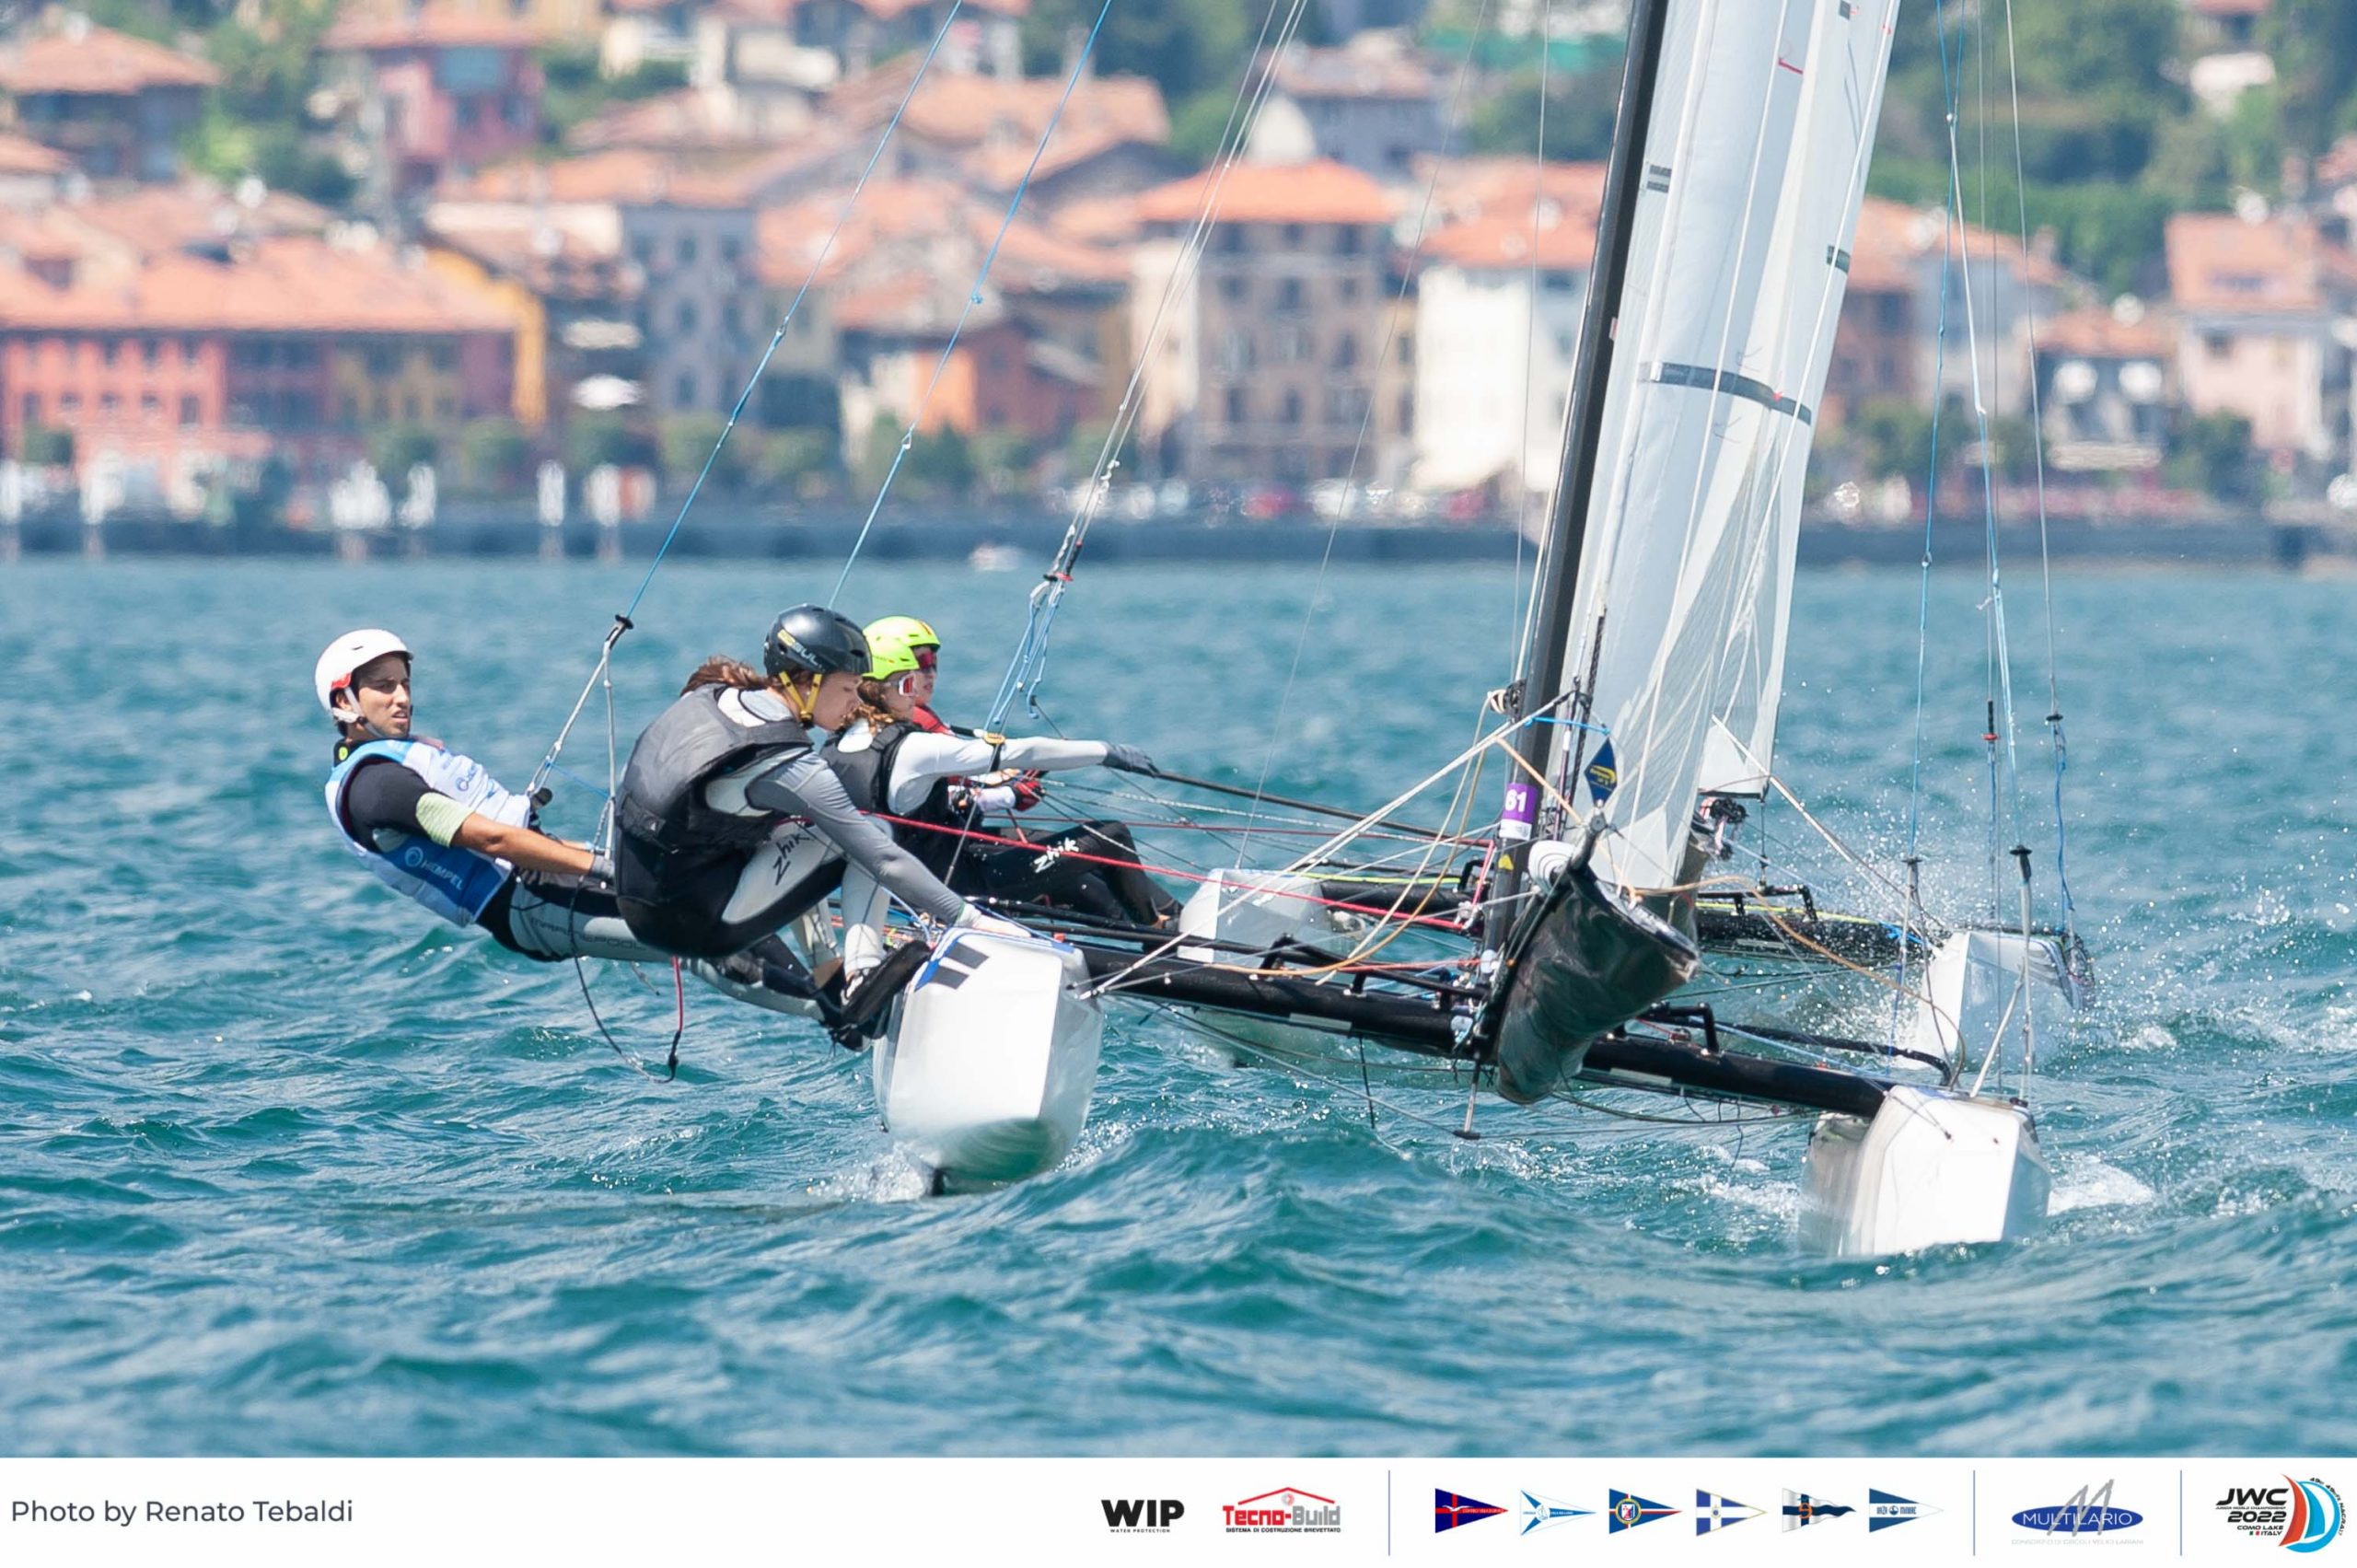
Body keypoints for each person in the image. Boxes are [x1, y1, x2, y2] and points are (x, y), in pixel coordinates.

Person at [316, 629, 829, 1017]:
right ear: (344, 702)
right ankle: (837, 1016)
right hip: (527, 905)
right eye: (383, 687)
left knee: (722, 898)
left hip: (546, 878)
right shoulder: (375, 787)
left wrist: (597, 860)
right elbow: (492, 838)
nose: (403, 697)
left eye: (405, 683)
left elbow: (516, 834)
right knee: (696, 941)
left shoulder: (400, 755)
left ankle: (837, 981)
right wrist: (604, 867)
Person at [610, 605, 1025, 967]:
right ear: (807, 682)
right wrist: (971, 919)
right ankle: (862, 971)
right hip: (696, 928)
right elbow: (884, 860)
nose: (855, 702)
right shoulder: (791, 764)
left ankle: (827, 969)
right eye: (847, 688)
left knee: (798, 828)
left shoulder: (713, 696)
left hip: (635, 899)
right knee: (873, 830)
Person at [825, 615, 1177, 981]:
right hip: (965, 885)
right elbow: (1024, 751)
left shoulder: (836, 747)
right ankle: (1160, 941)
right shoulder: (915, 746)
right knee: (1110, 836)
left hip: (914, 890)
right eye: (911, 681)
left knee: (1065, 863)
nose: (918, 692)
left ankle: (1169, 919)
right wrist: (1106, 752)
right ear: (888, 687)